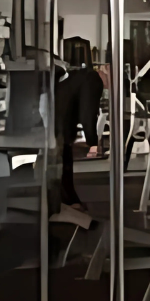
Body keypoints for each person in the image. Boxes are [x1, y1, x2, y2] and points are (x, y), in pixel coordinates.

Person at [52, 37, 104, 228]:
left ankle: (70, 202)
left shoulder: (81, 76)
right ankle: (69, 204)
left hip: (56, 118)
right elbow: (87, 114)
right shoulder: (93, 79)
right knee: (62, 164)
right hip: (58, 122)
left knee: (63, 162)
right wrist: (93, 143)